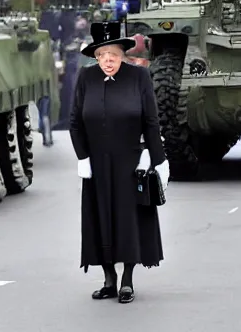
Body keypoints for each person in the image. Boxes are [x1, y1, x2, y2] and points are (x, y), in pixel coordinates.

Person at [69, 21, 169, 304]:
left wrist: (157, 159)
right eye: (102, 55)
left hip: (130, 162)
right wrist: (82, 157)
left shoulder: (139, 77)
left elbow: (150, 121)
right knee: (99, 219)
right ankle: (108, 279)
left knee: (127, 221)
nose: (108, 60)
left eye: (113, 53)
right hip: (96, 164)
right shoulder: (85, 78)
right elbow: (75, 122)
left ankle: (127, 280)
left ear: (122, 54)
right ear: (96, 56)